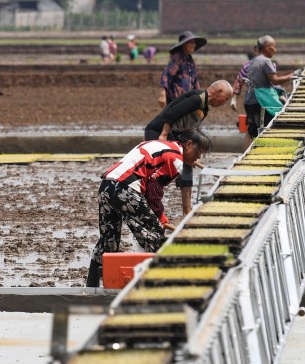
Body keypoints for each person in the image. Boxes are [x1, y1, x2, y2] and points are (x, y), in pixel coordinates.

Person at [86, 128, 212, 287]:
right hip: (125, 189)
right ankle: (162, 284)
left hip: (107, 187)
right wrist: (161, 217)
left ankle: (91, 286)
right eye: (198, 152)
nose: (198, 158)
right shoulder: (175, 158)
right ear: (188, 145)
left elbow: (149, 185)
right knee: (155, 234)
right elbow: (153, 190)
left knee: (108, 241)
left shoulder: (160, 145)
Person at [144, 80, 232, 217]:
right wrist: (163, 135)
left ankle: (187, 210)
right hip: (158, 132)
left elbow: (190, 128)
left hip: (175, 135)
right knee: (156, 173)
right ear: (219, 92)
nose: (224, 103)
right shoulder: (197, 99)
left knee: (186, 167)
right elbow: (173, 112)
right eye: (225, 99)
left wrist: (192, 153)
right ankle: (150, 205)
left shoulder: (204, 107)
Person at [243, 34, 295, 138]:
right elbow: (275, 81)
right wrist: (292, 76)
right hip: (262, 100)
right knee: (270, 128)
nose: (275, 50)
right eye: (274, 46)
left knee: (254, 131)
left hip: (250, 100)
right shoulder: (266, 61)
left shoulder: (253, 61)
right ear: (267, 47)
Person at [158, 31, 206, 108]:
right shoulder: (178, 58)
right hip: (176, 100)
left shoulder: (191, 62)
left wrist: (200, 97)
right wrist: (162, 94)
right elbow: (166, 75)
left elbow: (195, 81)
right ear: (184, 44)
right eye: (191, 42)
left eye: (194, 42)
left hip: (187, 99)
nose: (193, 45)